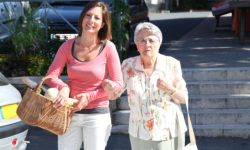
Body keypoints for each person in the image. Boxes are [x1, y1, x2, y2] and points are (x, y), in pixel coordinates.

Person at [44, 1, 123, 150]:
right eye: (88, 15)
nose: (91, 21)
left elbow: (118, 82)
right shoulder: (67, 46)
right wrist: (64, 87)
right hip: (69, 113)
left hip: (97, 116)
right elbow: (50, 76)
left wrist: (90, 96)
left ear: (103, 24)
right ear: (82, 18)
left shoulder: (108, 48)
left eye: (97, 18)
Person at [102, 22, 188, 150]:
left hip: (168, 130)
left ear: (159, 44)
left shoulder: (172, 64)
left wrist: (169, 89)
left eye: (151, 40)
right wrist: (108, 88)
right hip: (139, 130)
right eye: (142, 41)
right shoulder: (128, 65)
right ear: (137, 45)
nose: (147, 45)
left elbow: (184, 99)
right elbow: (114, 94)